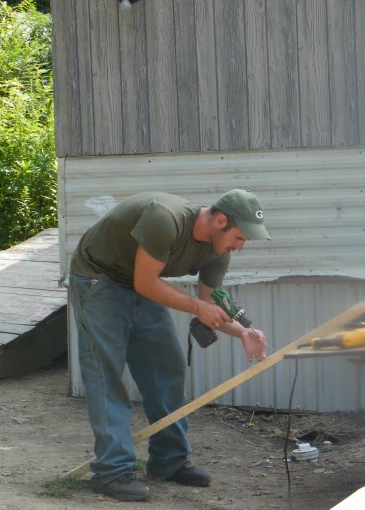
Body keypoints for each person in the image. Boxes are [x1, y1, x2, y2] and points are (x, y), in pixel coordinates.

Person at [68, 189, 270, 502]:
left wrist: (242, 332)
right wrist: (195, 308)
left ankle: (168, 460)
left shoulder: (219, 251)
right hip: (100, 276)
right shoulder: (166, 218)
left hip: (139, 280)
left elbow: (207, 304)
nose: (240, 247)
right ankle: (111, 470)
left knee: (168, 365)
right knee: (106, 371)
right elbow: (145, 283)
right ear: (220, 221)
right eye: (240, 238)